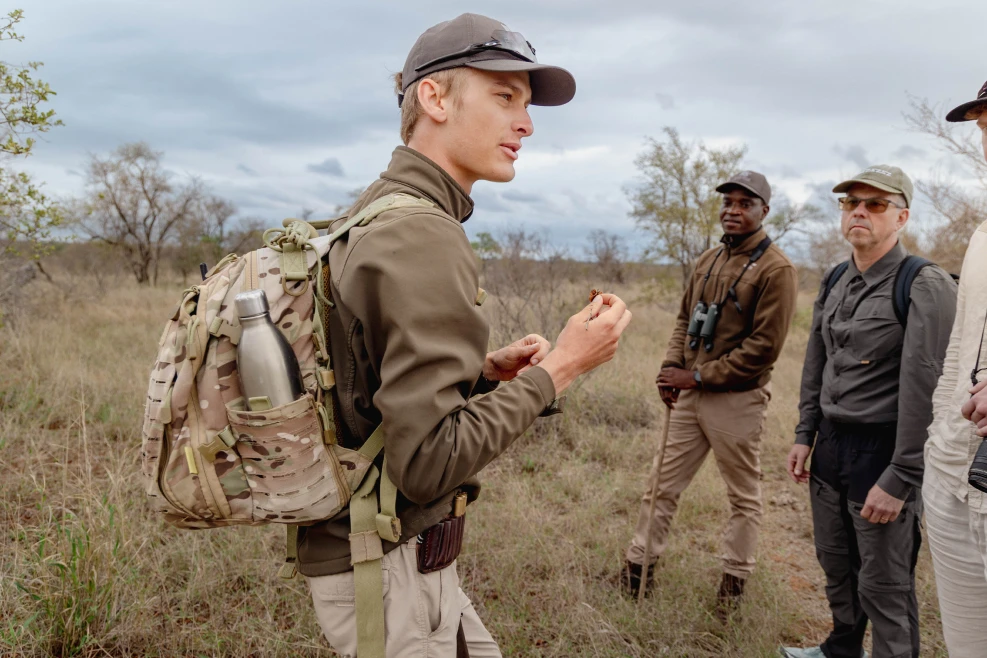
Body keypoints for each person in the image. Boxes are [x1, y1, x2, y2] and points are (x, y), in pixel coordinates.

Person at [293, 13, 632, 658]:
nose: (526, 124)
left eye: (527, 105)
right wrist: (560, 368)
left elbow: (363, 380)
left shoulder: (383, 208)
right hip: (387, 570)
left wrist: (480, 374)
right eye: (505, 97)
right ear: (435, 98)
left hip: (385, 556)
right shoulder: (421, 233)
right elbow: (424, 465)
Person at [782, 165, 957, 658]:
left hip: (883, 452)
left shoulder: (923, 283)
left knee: (884, 585)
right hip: (831, 448)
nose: (858, 211)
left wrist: (902, 476)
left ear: (901, 217)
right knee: (836, 565)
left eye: (875, 204)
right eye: (850, 202)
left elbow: (929, 390)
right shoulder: (837, 277)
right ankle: (840, 650)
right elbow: (817, 362)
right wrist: (804, 434)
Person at [621, 171, 799, 617]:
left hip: (736, 399)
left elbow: (764, 348)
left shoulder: (777, 269)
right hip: (689, 394)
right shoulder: (708, 259)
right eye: (728, 203)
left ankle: (732, 589)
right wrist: (670, 368)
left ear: (764, 211)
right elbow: (684, 320)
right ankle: (636, 572)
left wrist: (698, 378)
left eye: (745, 203)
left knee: (743, 496)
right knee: (660, 485)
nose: (733, 211)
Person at [921, 80, 987, 658]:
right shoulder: (983, 236)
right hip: (952, 480)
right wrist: (936, 451)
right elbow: (957, 356)